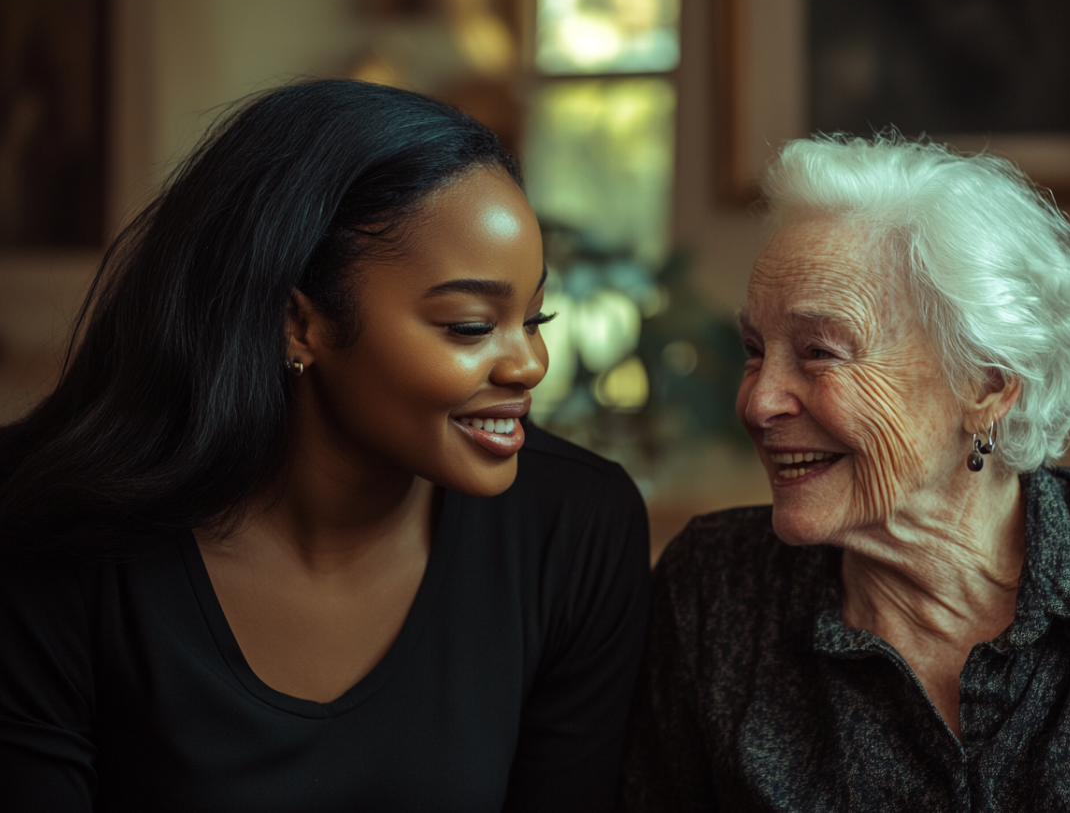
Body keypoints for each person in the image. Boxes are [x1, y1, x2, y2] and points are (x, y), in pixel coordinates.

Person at [0, 80, 650, 812]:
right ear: (298, 322)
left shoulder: (578, 530)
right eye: (470, 325)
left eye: (535, 318)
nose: (530, 364)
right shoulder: (48, 529)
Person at [619, 135, 1070, 811]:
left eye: (819, 352)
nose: (758, 399)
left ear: (986, 382)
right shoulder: (712, 593)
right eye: (754, 349)